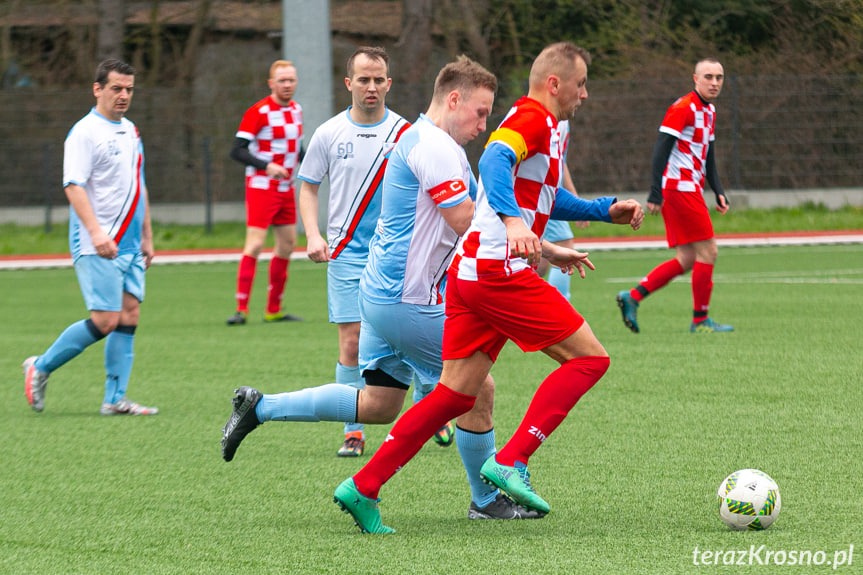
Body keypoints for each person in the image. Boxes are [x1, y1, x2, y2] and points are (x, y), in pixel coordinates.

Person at [332, 42, 645, 534]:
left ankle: (363, 486)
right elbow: (495, 160)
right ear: (555, 83)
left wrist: (604, 209)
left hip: (471, 273)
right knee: (590, 359)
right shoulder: (534, 118)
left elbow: (544, 194)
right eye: (581, 84)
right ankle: (513, 461)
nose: (586, 94)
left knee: (456, 395)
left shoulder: (544, 127)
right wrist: (512, 221)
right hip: (499, 270)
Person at [223, 56, 540, 522]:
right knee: (478, 387)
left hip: (380, 295)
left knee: (377, 403)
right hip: (405, 301)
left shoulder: (422, 138)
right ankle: (486, 501)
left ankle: (260, 406)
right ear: (454, 100)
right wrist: (530, 238)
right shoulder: (432, 146)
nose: (484, 124)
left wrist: (537, 237)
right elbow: (465, 221)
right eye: (481, 111)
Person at [22, 58, 158, 416]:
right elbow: (73, 185)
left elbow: (137, 183)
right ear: (97, 89)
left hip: (129, 242)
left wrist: (147, 234)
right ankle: (41, 366)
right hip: (98, 241)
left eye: (129, 88)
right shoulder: (84, 132)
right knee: (105, 320)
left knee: (129, 315)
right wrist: (96, 232)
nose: (123, 95)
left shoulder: (131, 130)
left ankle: (115, 399)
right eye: (116, 88)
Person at [296, 46, 412, 456]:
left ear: (389, 84)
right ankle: (353, 429)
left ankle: (426, 414)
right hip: (345, 254)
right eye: (363, 79)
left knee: (408, 338)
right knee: (352, 342)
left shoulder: (406, 133)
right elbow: (308, 186)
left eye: (379, 79)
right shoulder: (329, 134)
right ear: (349, 83)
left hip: (397, 256)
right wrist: (312, 234)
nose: (371, 87)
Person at [616, 58, 732, 334]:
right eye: (708, 77)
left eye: (719, 77)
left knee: (688, 259)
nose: (714, 82)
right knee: (709, 251)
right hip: (679, 190)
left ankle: (633, 296)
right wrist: (655, 191)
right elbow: (661, 148)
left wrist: (718, 190)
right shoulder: (683, 108)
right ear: (695, 79)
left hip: (689, 189)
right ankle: (700, 320)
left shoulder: (710, 111)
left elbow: (709, 155)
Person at [226, 60, 304, 325]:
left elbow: (296, 149)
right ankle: (241, 309)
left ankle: (273, 310)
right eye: (282, 80)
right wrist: (267, 165)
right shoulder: (258, 111)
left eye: (291, 80)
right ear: (271, 83)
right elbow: (237, 150)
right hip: (261, 187)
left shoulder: (296, 110)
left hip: (286, 189)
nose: (287, 85)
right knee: (256, 244)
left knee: (287, 245)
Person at [536, 119, 587, 300]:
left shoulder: (560, 120)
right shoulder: (551, 120)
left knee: (538, 264)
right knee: (563, 246)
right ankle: (557, 314)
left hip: (550, 196)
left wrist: (575, 200)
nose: (583, 95)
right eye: (579, 88)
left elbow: (560, 162)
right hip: (543, 195)